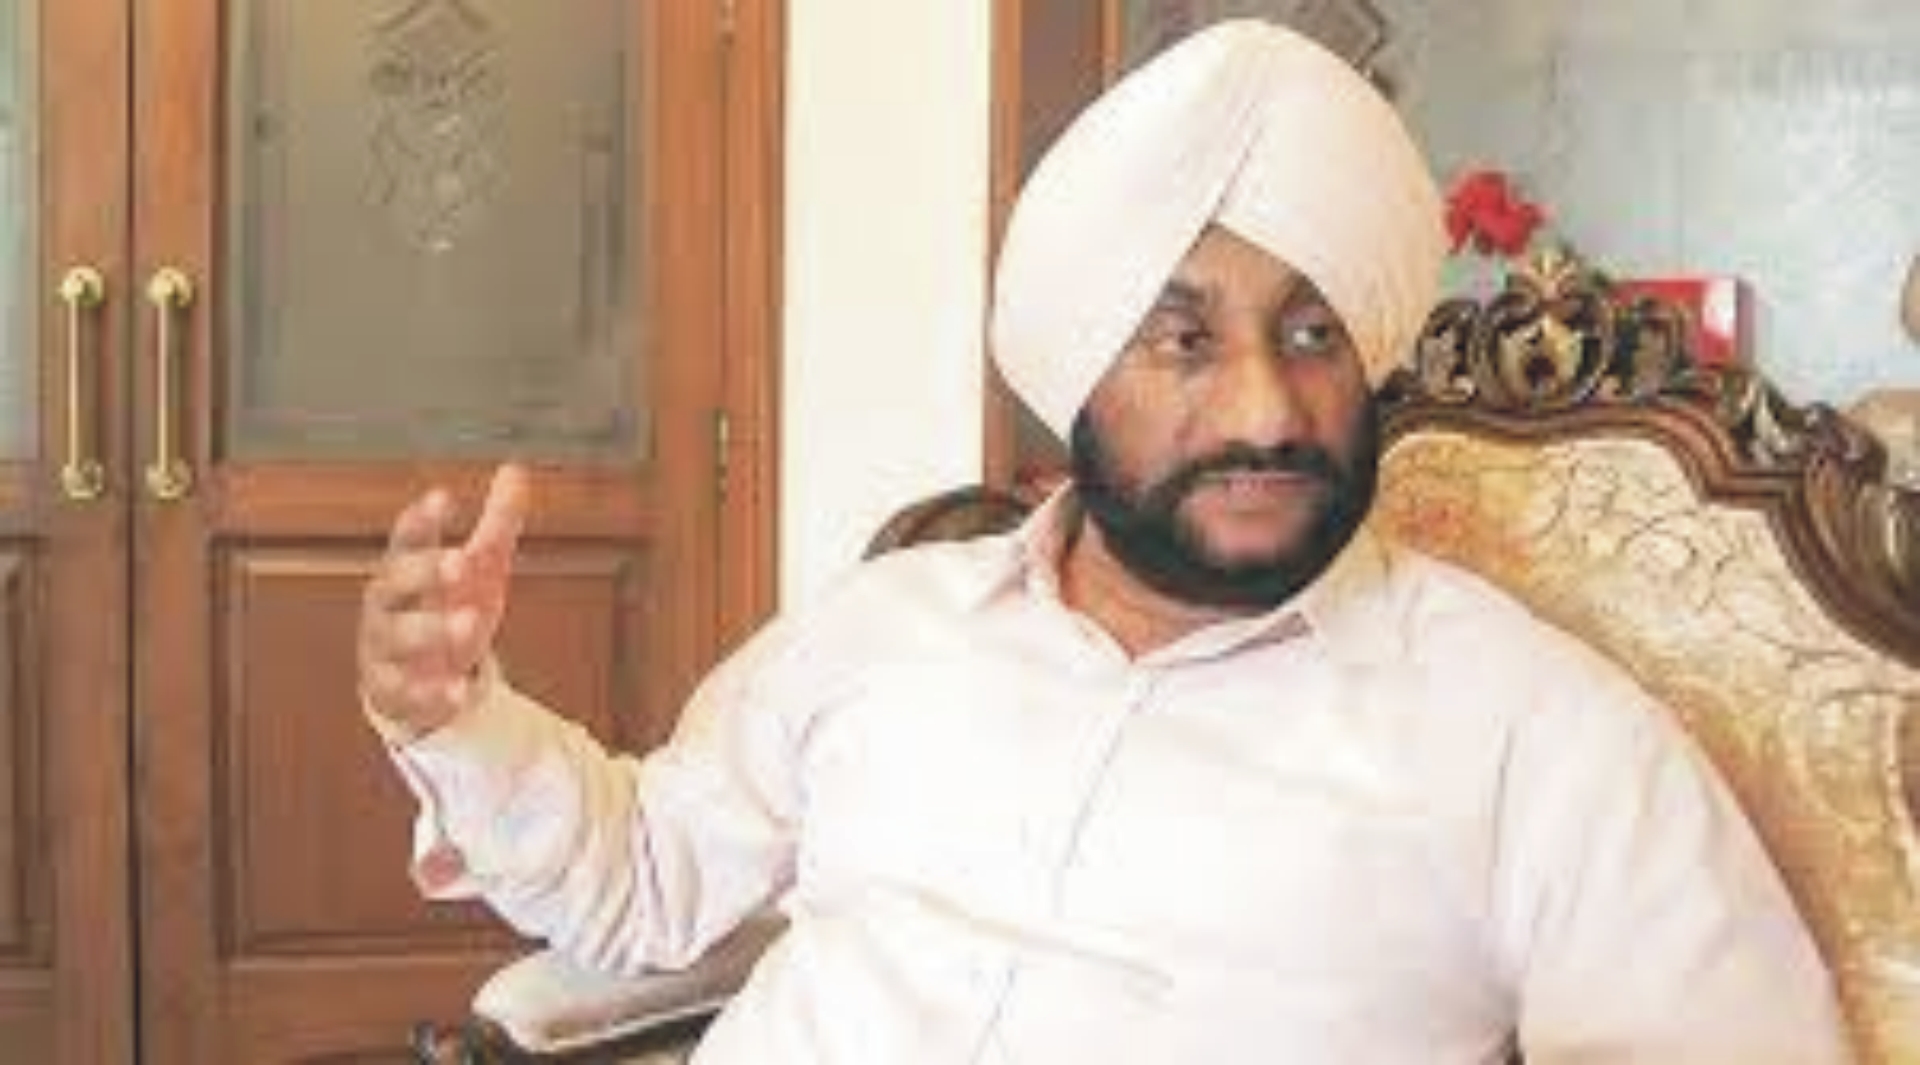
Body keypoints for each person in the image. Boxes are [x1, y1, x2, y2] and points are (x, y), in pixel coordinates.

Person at [357, 20, 1852, 1064]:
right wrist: (456, 715)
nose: (1265, 408)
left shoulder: (1538, 734)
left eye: (1315, 334)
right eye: (1183, 339)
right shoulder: (886, 625)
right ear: (1076, 370)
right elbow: (643, 877)